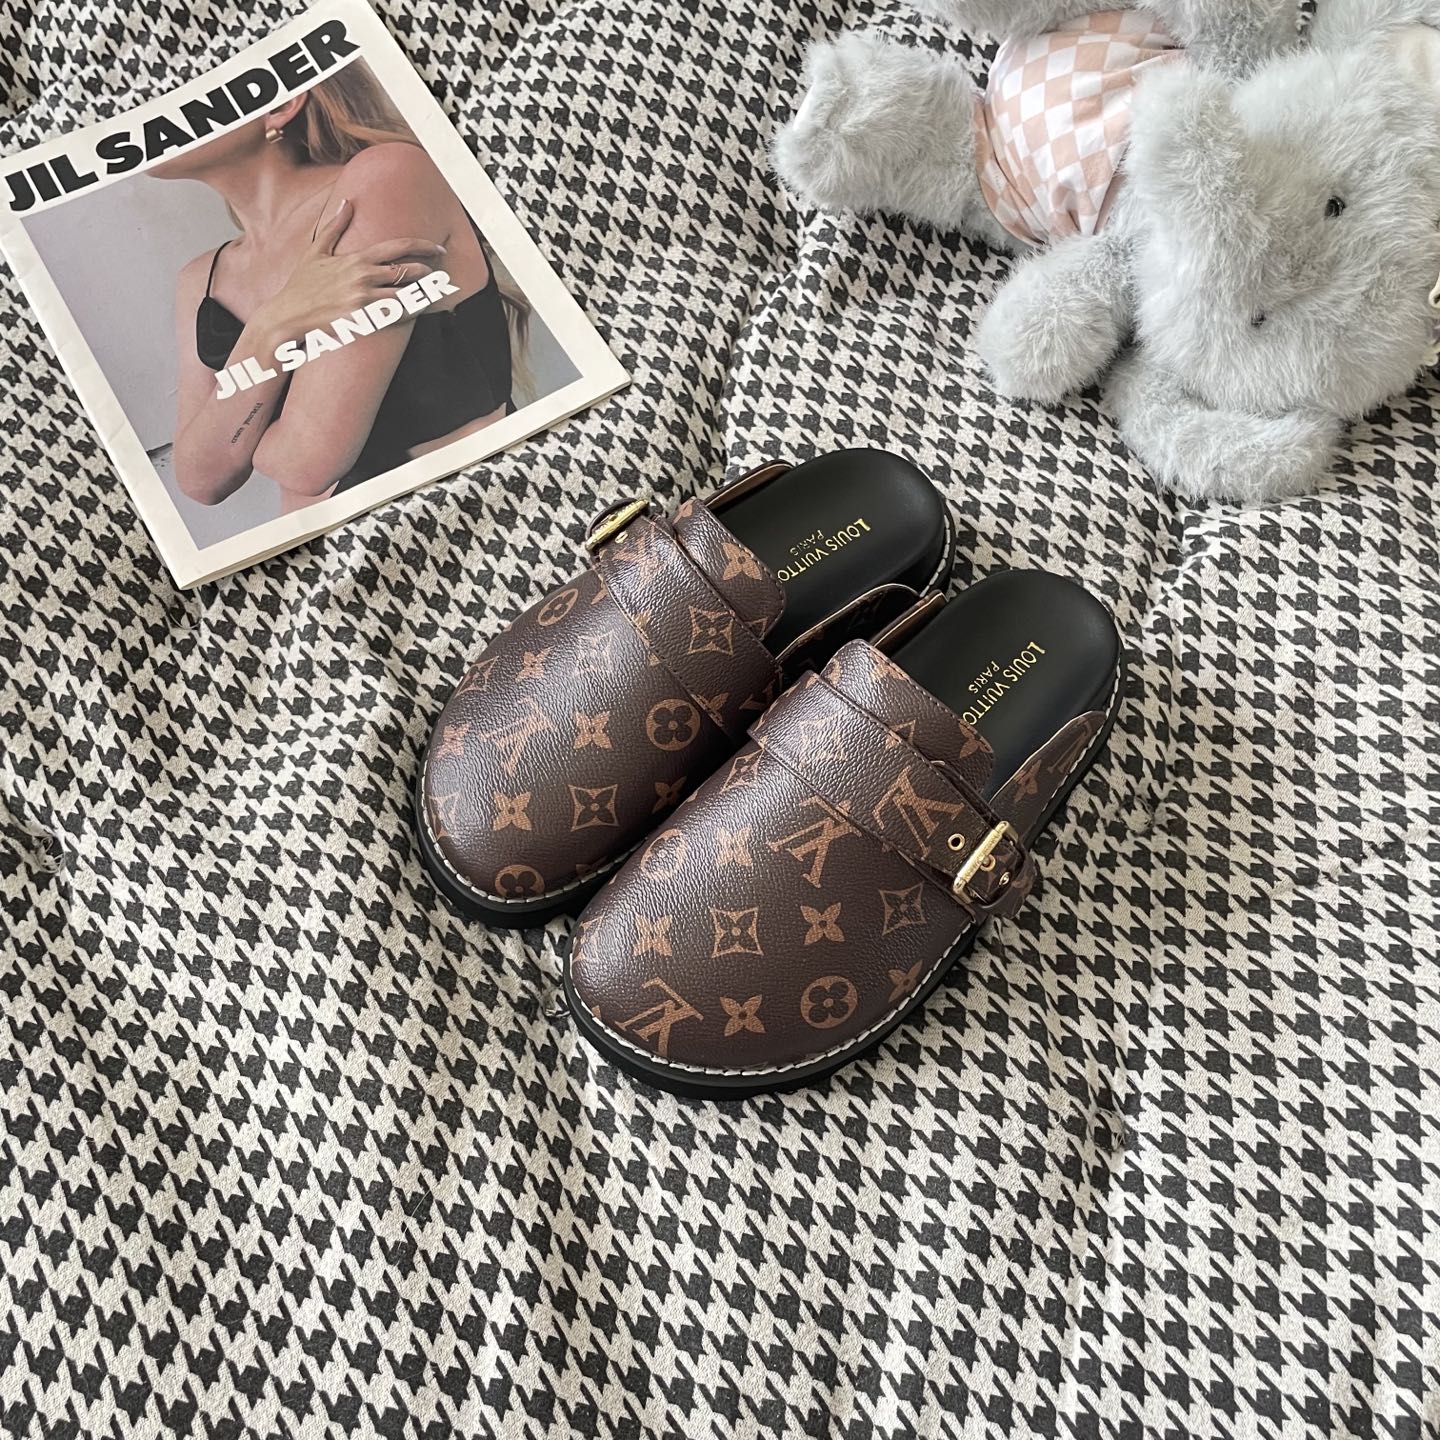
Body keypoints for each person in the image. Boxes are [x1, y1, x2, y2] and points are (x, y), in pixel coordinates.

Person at [155, 63, 525, 510]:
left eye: (178, 97)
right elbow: (200, 479)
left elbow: (305, 463)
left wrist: (232, 427)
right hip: (328, 548)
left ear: (280, 106)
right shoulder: (202, 279)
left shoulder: (386, 177)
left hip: (471, 519)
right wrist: (271, 327)